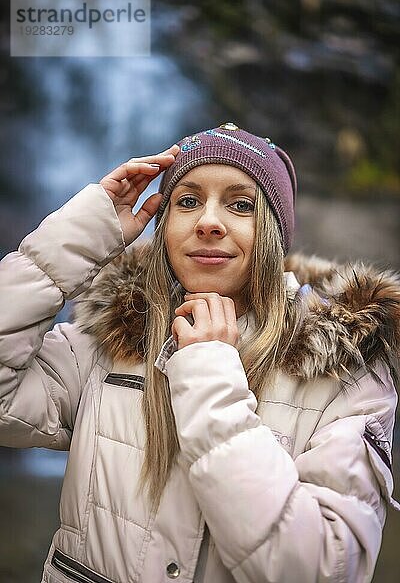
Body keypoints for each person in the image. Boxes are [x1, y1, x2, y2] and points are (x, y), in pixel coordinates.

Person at [0, 123, 399, 583]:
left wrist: (210, 379)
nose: (208, 221)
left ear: (272, 231)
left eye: (240, 204)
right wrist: (82, 234)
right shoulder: (113, 336)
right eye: (187, 201)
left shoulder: (346, 367)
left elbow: (326, 569)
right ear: (164, 226)